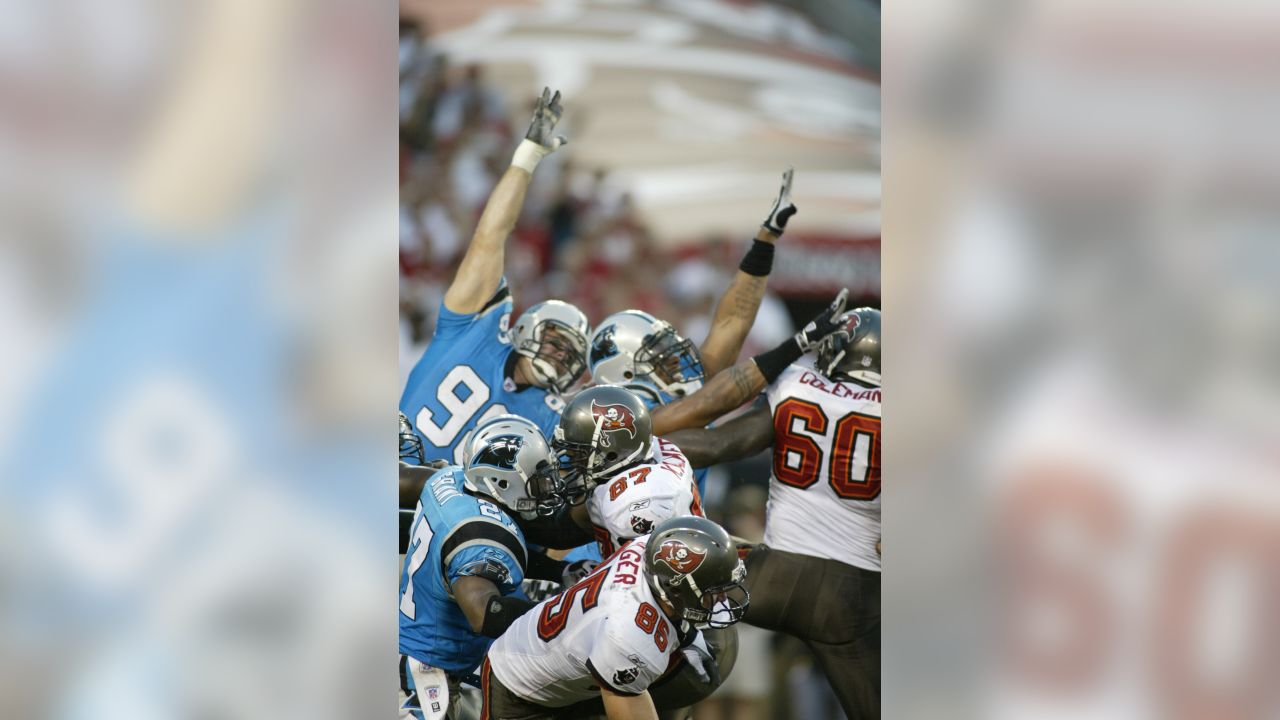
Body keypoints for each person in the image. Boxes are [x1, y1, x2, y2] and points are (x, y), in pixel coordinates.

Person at [664, 309, 882, 719]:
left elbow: (720, 445)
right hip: (852, 599)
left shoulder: (800, 385)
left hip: (771, 579)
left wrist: (642, 447)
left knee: (655, 607)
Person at [400, 87, 590, 468]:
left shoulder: (554, 420)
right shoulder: (473, 328)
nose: (558, 355)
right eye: (555, 342)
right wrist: (527, 158)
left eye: (567, 353)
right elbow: (490, 237)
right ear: (525, 329)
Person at [587, 168, 801, 497]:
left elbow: (731, 324)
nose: (673, 355)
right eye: (656, 354)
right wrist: (797, 346)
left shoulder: (673, 392)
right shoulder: (618, 420)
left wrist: (764, 242)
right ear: (625, 370)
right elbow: (710, 404)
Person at [399, 414, 581, 720]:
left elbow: (404, 478)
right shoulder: (481, 539)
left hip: (419, 643)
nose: (548, 487)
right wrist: (564, 614)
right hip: (425, 672)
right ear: (502, 481)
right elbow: (484, 613)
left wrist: (557, 571)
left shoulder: (451, 479)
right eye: (538, 479)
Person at [480, 516, 749, 720]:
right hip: (519, 688)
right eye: (713, 592)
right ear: (675, 589)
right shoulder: (629, 636)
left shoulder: (650, 547)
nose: (721, 601)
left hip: (566, 660)